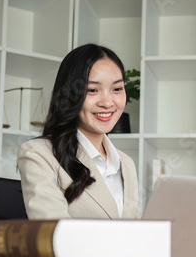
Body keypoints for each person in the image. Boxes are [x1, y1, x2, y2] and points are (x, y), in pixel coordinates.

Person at [17, 44, 141, 220]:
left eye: (117, 89)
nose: (107, 102)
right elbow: (55, 234)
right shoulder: (38, 154)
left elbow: (136, 234)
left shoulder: (126, 164)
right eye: (92, 90)